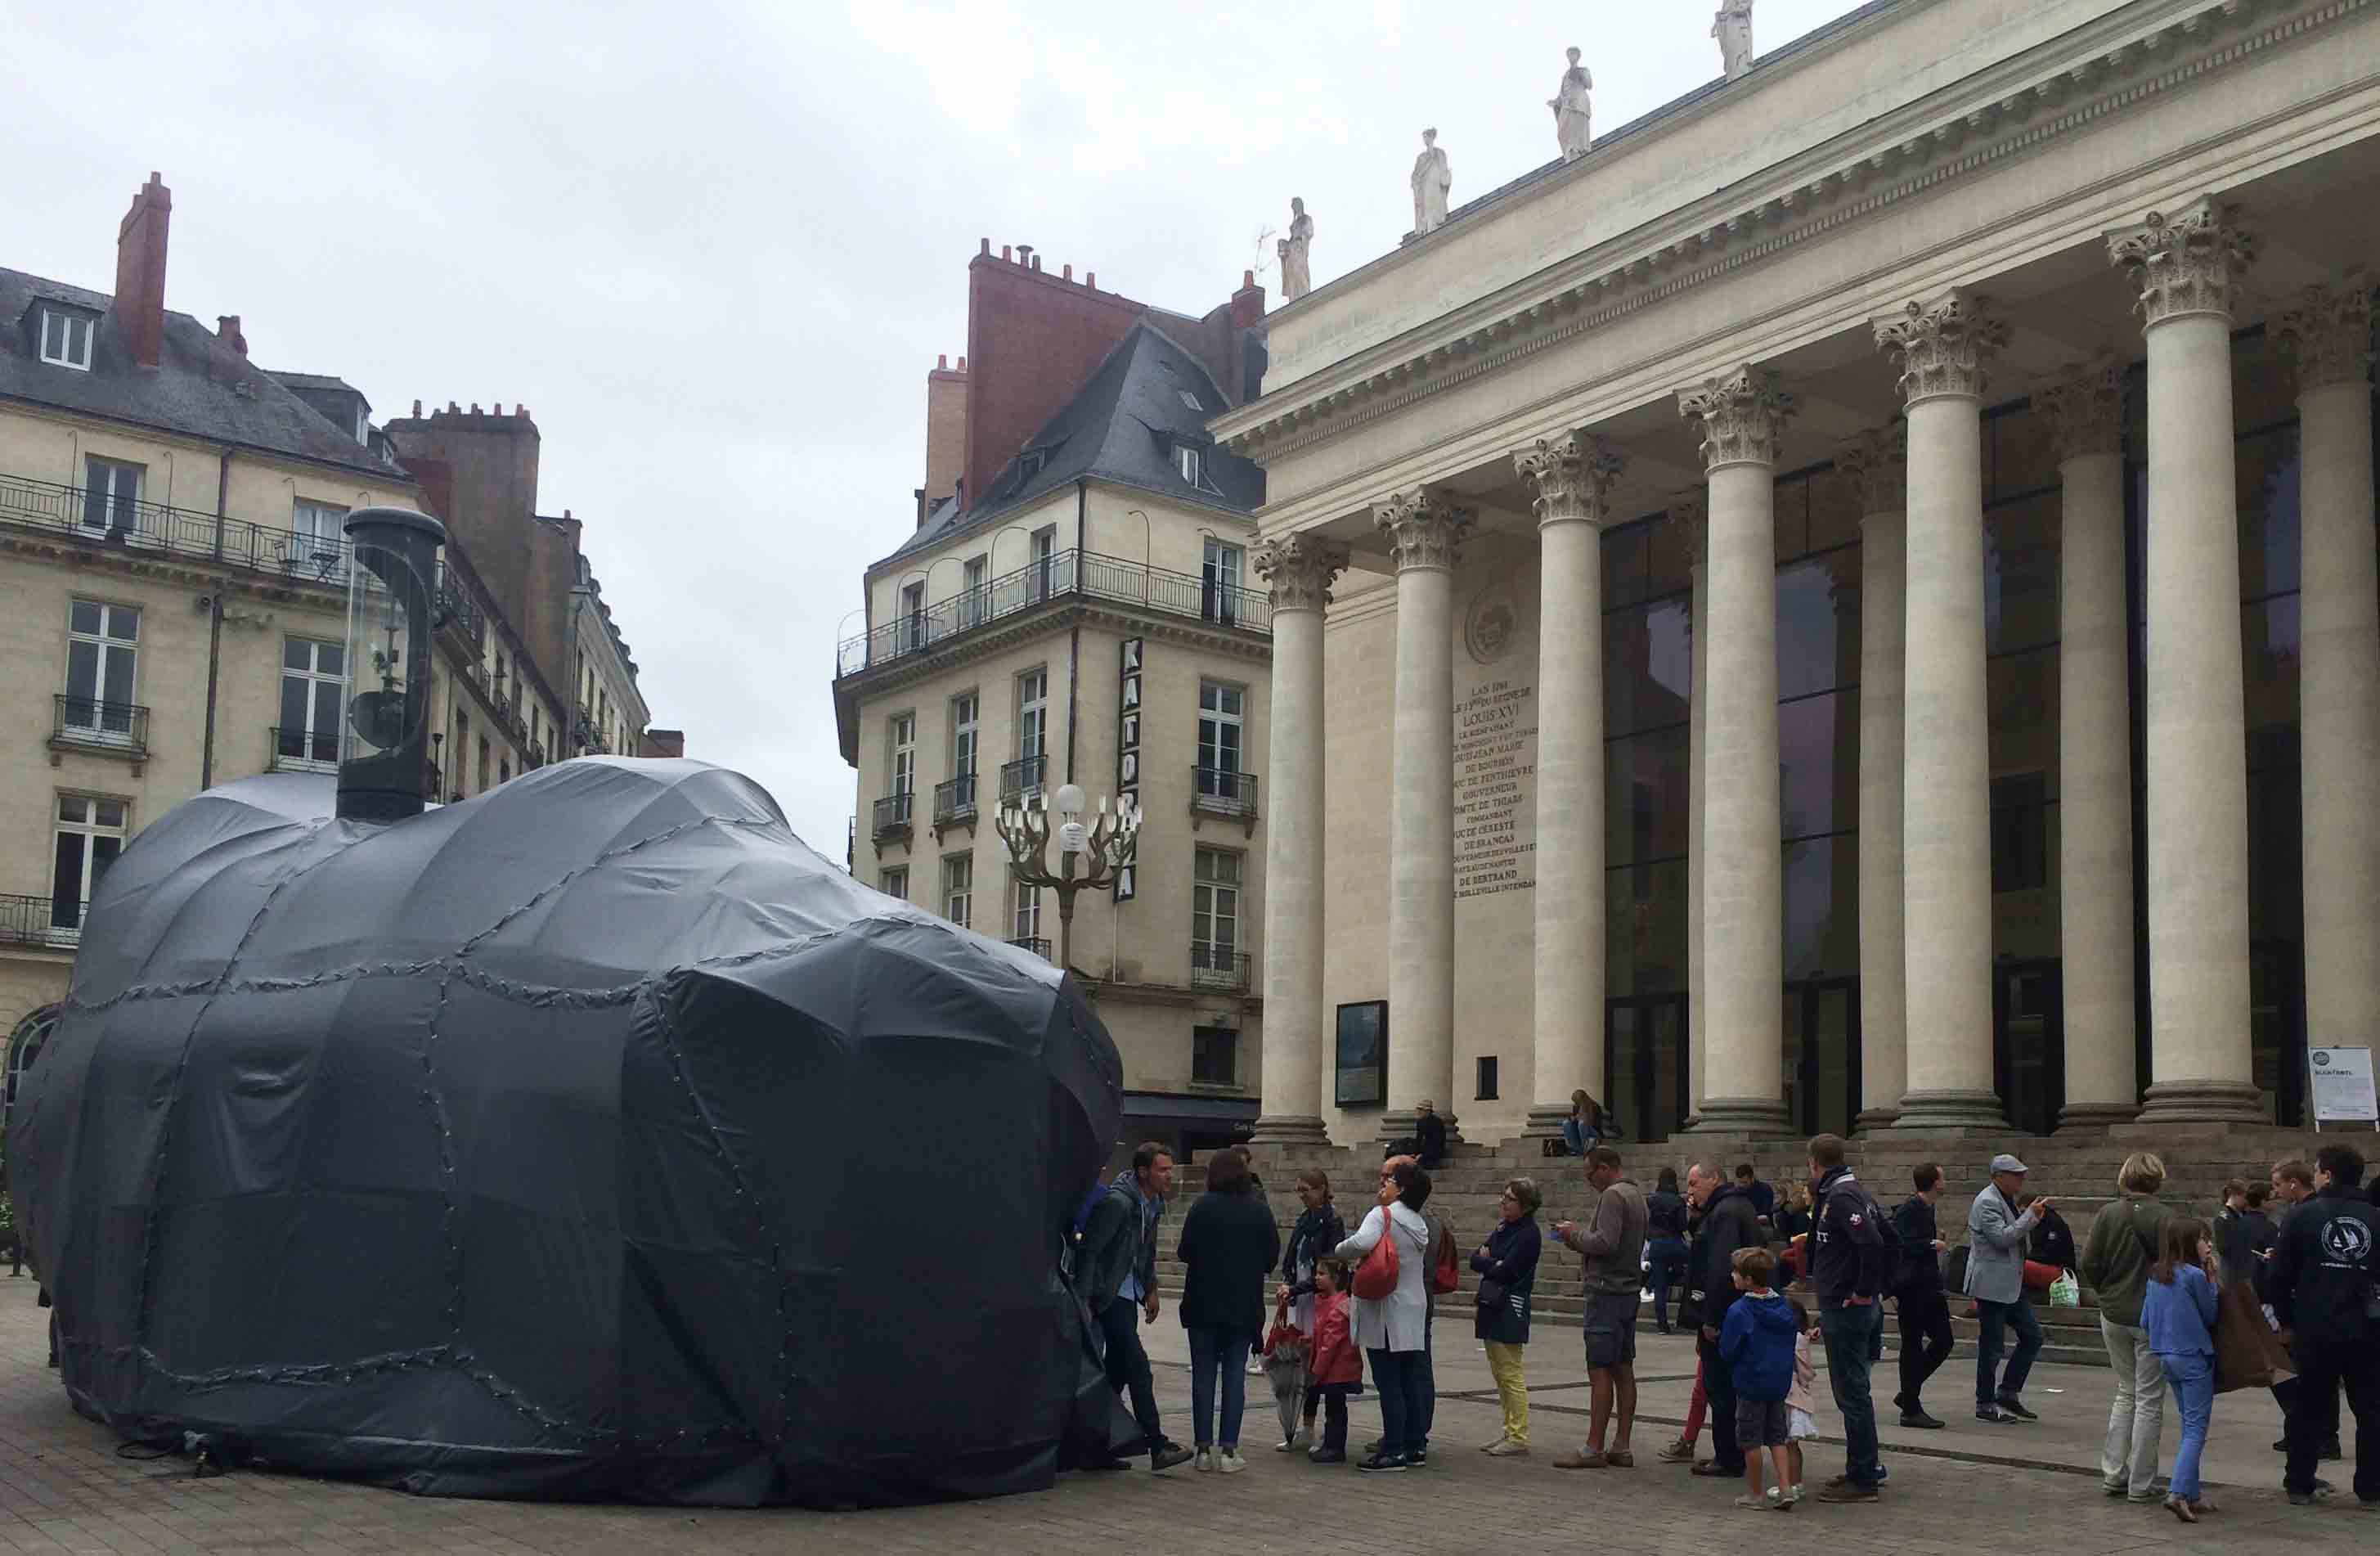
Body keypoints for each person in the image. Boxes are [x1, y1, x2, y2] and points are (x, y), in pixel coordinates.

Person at [2269, 1141, 2380, 1510]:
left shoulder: (2302, 1217)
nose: (2314, 1176)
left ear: (2327, 1175)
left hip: (2314, 1326)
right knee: (2371, 1410)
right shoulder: (2376, 1218)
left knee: (2307, 1407)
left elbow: (2280, 1276)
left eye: (2316, 1170)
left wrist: (2285, 1321)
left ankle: (2299, 1482)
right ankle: (2371, 1487)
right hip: (2366, 1329)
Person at [1076, 1144, 1195, 1472]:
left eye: (1170, 1169)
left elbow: (1145, 1251)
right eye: (1163, 1170)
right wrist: (1086, 1300)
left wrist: (1151, 1289)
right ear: (1144, 1172)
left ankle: (1090, 1447)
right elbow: (1090, 1252)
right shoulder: (1118, 1203)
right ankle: (1157, 1444)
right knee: (1139, 1368)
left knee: (1115, 1375)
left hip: (1128, 1296)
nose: (1169, 1175)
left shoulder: (1152, 1203)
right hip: (1109, 1296)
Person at [1175, 1146, 1281, 1474]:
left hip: (1203, 1302)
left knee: (1203, 1375)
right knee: (1235, 1375)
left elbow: (1184, 1251)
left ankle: (1202, 1450)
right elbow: (1270, 1259)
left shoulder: (1201, 1206)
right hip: (1242, 1305)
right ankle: (1229, 1450)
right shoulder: (1259, 1210)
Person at [2077, 1150, 2174, 1502]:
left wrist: (2106, 1290)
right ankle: (2141, 1483)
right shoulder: (2166, 1217)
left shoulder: (2107, 1213)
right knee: (2149, 1398)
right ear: (2157, 1179)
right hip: (2151, 1314)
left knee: (2125, 1391)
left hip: (2114, 1312)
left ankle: (2114, 1472)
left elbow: (2089, 1261)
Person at [1552, 1145, 1648, 1468]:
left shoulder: (1613, 1196)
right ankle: (1621, 1445)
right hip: (1628, 1291)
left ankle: (1594, 1447)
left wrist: (1572, 1234)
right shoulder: (1636, 1195)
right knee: (1623, 1367)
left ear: (1605, 1168)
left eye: (1590, 1174)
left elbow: (1605, 1243)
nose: (1590, 1181)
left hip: (1606, 1292)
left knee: (1600, 1368)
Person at [1334, 1160, 1432, 1472]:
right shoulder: (1418, 1221)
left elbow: (1361, 1243)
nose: (1383, 1185)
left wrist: (1340, 1250)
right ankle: (1415, 1444)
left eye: (1389, 1181)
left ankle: (1393, 1449)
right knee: (1409, 1380)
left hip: (1386, 1307)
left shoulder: (1382, 1214)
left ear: (1400, 1189)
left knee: (1388, 1381)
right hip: (1412, 1305)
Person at [1805, 1133, 1887, 1502]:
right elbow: (1890, 1239)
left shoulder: (1841, 1197)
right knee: (1852, 1392)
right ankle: (1861, 1466)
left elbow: (1874, 1242)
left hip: (1848, 1307)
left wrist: (1865, 1291)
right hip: (1843, 1306)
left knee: (1852, 1393)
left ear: (1814, 1164)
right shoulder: (1853, 1193)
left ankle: (1864, 1474)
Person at [1685, 1159, 1766, 1482]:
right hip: (1736, 1312)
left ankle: (1728, 1457)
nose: (1689, 1191)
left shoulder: (1726, 1213)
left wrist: (1711, 1319)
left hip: (1726, 1315)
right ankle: (1733, 1453)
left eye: (1694, 1184)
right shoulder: (1728, 1208)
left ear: (1714, 1179)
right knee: (1724, 1386)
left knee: (1720, 1387)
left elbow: (1721, 1269)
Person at [2140, 1216, 2220, 1523]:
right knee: (2196, 1428)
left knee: (2189, 1425)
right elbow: (2211, 1315)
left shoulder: (2156, 1275)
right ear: (2189, 1243)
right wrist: (2212, 1282)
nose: (2209, 1245)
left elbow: (2145, 1321)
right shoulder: (2194, 1276)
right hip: (2193, 1356)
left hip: (2165, 1356)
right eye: (2204, 1239)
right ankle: (2177, 1493)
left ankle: (2192, 1492)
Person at [2265, 1158, 2342, 1464]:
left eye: (2277, 1184)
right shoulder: (2304, 1212)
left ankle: (2321, 1436)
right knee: (2294, 1372)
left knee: (2297, 1372)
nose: (2275, 1191)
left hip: (2304, 1306)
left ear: (2293, 1183)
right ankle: (2305, 1430)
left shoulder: (2306, 1213)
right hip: (2309, 1304)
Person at [1965, 1152, 2049, 1425]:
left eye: (2022, 1174)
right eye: (2016, 1175)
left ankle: (2008, 1392)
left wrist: (2028, 1217)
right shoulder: (1987, 1201)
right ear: (1998, 1176)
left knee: (2033, 1336)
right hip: (1991, 1284)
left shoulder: (2004, 1199)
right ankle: (1985, 1402)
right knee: (1992, 1346)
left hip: (2010, 1283)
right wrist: (2030, 1217)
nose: (2021, 1179)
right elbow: (2001, 1238)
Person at [1718, 1246, 1799, 1512]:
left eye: (1736, 1272)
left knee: (1750, 1440)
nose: (1733, 1276)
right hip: (1778, 1381)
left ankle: (1755, 1492)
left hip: (1751, 1381)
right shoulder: (1785, 1307)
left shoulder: (1740, 1311)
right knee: (1777, 1436)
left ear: (1749, 1279)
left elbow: (1728, 1350)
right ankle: (1786, 1487)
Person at [1273, 1169, 1346, 1450]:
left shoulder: (1331, 1221)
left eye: (1306, 1190)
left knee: (1317, 1363)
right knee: (1302, 1362)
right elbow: (1292, 1253)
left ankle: (1317, 1427)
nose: (1302, 1195)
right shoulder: (1305, 1219)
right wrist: (1288, 1281)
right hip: (1301, 1296)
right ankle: (1305, 1427)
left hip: (1319, 1298)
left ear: (1321, 1189)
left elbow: (1330, 1266)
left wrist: (1297, 1288)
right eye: (1299, 1190)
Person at [1473, 1176, 1543, 1455]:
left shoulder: (1528, 1233)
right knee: (1499, 1372)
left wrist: (1490, 1262)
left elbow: (1508, 1270)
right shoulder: (1504, 1228)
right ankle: (1509, 1428)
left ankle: (1518, 1435)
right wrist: (1492, 1262)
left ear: (1525, 1205)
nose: (1503, 1202)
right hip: (1492, 1302)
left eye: (1510, 1198)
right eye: (1504, 1196)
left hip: (1510, 1304)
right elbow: (1475, 1257)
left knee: (1510, 1371)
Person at [1890, 1163, 1953, 1428]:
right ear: (1933, 1182)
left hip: (1928, 1285)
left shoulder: (1928, 1207)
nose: (1945, 1180)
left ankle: (1908, 1393)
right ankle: (1911, 1408)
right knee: (1913, 1344)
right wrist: (1930, 1244)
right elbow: (1899, 1243)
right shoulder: (1910, 1209)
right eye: (1942, 1176)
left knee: (1944, 1340)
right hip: (1912, 1288)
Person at [1304, 1259, 1360, 1464]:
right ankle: (1330, 1444)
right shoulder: (1329, 1302)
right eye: (1316, 1273)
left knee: (1335, 1409)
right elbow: (1324, 1336)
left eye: (1322, 1274)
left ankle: (1335, 1447)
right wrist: (1310, 1339)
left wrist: (1316, 1371)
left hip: (1339, 1369)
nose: (1316, 1277)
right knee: (1333, 1407)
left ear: (1335, 1279)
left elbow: (1330, 1345)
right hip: (1336, 1368)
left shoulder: (1338, 1308)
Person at [1646, 1166, 1692, 1334]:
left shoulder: (1651, 1200)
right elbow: (1682, 1225)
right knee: (1693, 1266)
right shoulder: (1678, 1201)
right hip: (1674, 1243)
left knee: (1660, 1286)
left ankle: (1662, 1325)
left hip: (1657, 1245)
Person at [1775, 1181, 1814, 1285]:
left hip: (1807, 1253)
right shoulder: (1793, 1214)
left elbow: (1799, 1241)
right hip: (1802, 1249)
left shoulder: (1802, 1217)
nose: (1791, 1200)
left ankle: (1799, 1281)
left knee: (1783, 1260)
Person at [1561, 1089, 1607, 1157]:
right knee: (1566, 1123)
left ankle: (1585, 1149)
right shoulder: (1576, 1107)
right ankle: (1577, 1149)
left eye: (1577, 1102)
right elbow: (1574, 1119)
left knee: (1582, 1124)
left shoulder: (1594, 1106)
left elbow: (1596, 1125)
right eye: (1575, 1102)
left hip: (1594, 1133)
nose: (1576, 1104)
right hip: (1580, 1131)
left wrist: (1584, 1118)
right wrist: (1572, 1119)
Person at [1737, 1163, 1776, 1228]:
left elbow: (1765, 1216)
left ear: (1752, 1178)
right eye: (1740, 1182)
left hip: (1763, 1227)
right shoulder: (1739, 1191)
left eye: (1745, 1182)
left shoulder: (1764, 1189)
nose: (1743, 1185)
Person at [1412, 1100, 1448, 1169]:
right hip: (1425, 1148)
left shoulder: (1437, 1122)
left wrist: (1422, 1154)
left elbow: (1437, 1142)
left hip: (1434, 1149)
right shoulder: (1420, 1122)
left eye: (1421, 1110)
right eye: (1418, 1110)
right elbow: (1419, 1139)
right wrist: (1415, 1153)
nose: (1418, 1112)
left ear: (1428, 1111)